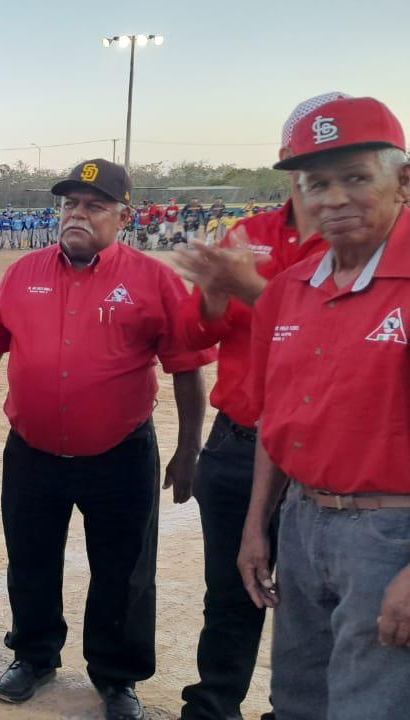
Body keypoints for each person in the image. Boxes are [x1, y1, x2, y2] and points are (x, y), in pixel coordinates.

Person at [0, 159, 212, 720]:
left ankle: (117, 677)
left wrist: (189, 449)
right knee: (30, 560)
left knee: (124, 570)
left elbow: (187, 367)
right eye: (71, 203)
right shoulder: (23, 272)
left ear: (123, 216)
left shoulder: (154, 280)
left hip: (119, 454)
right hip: (33, 452)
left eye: (94, 205)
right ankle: (34, 654)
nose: (78, 213)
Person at [169, 93, 342, 720]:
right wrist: (215, 297)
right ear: (286, 165)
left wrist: (254, 290)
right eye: (309, 165)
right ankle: (214, 705)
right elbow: (193, 338)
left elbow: (337, 334)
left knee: (314, 601)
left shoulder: (369, 243)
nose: (323, 183)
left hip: (323, 456)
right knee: (231, 592)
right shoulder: (251, 236)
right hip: (240, 444)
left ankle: (294, 710)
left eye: (345, 167)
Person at [240, 96, 410, 720]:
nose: (333, 199)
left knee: (373, 703)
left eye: (356, 178)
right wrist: (258, 524)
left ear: (404, 181)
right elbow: (273, 419)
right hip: (302, 521)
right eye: (316, 184)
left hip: (391, 534)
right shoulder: (291, 288)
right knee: (298, 697)